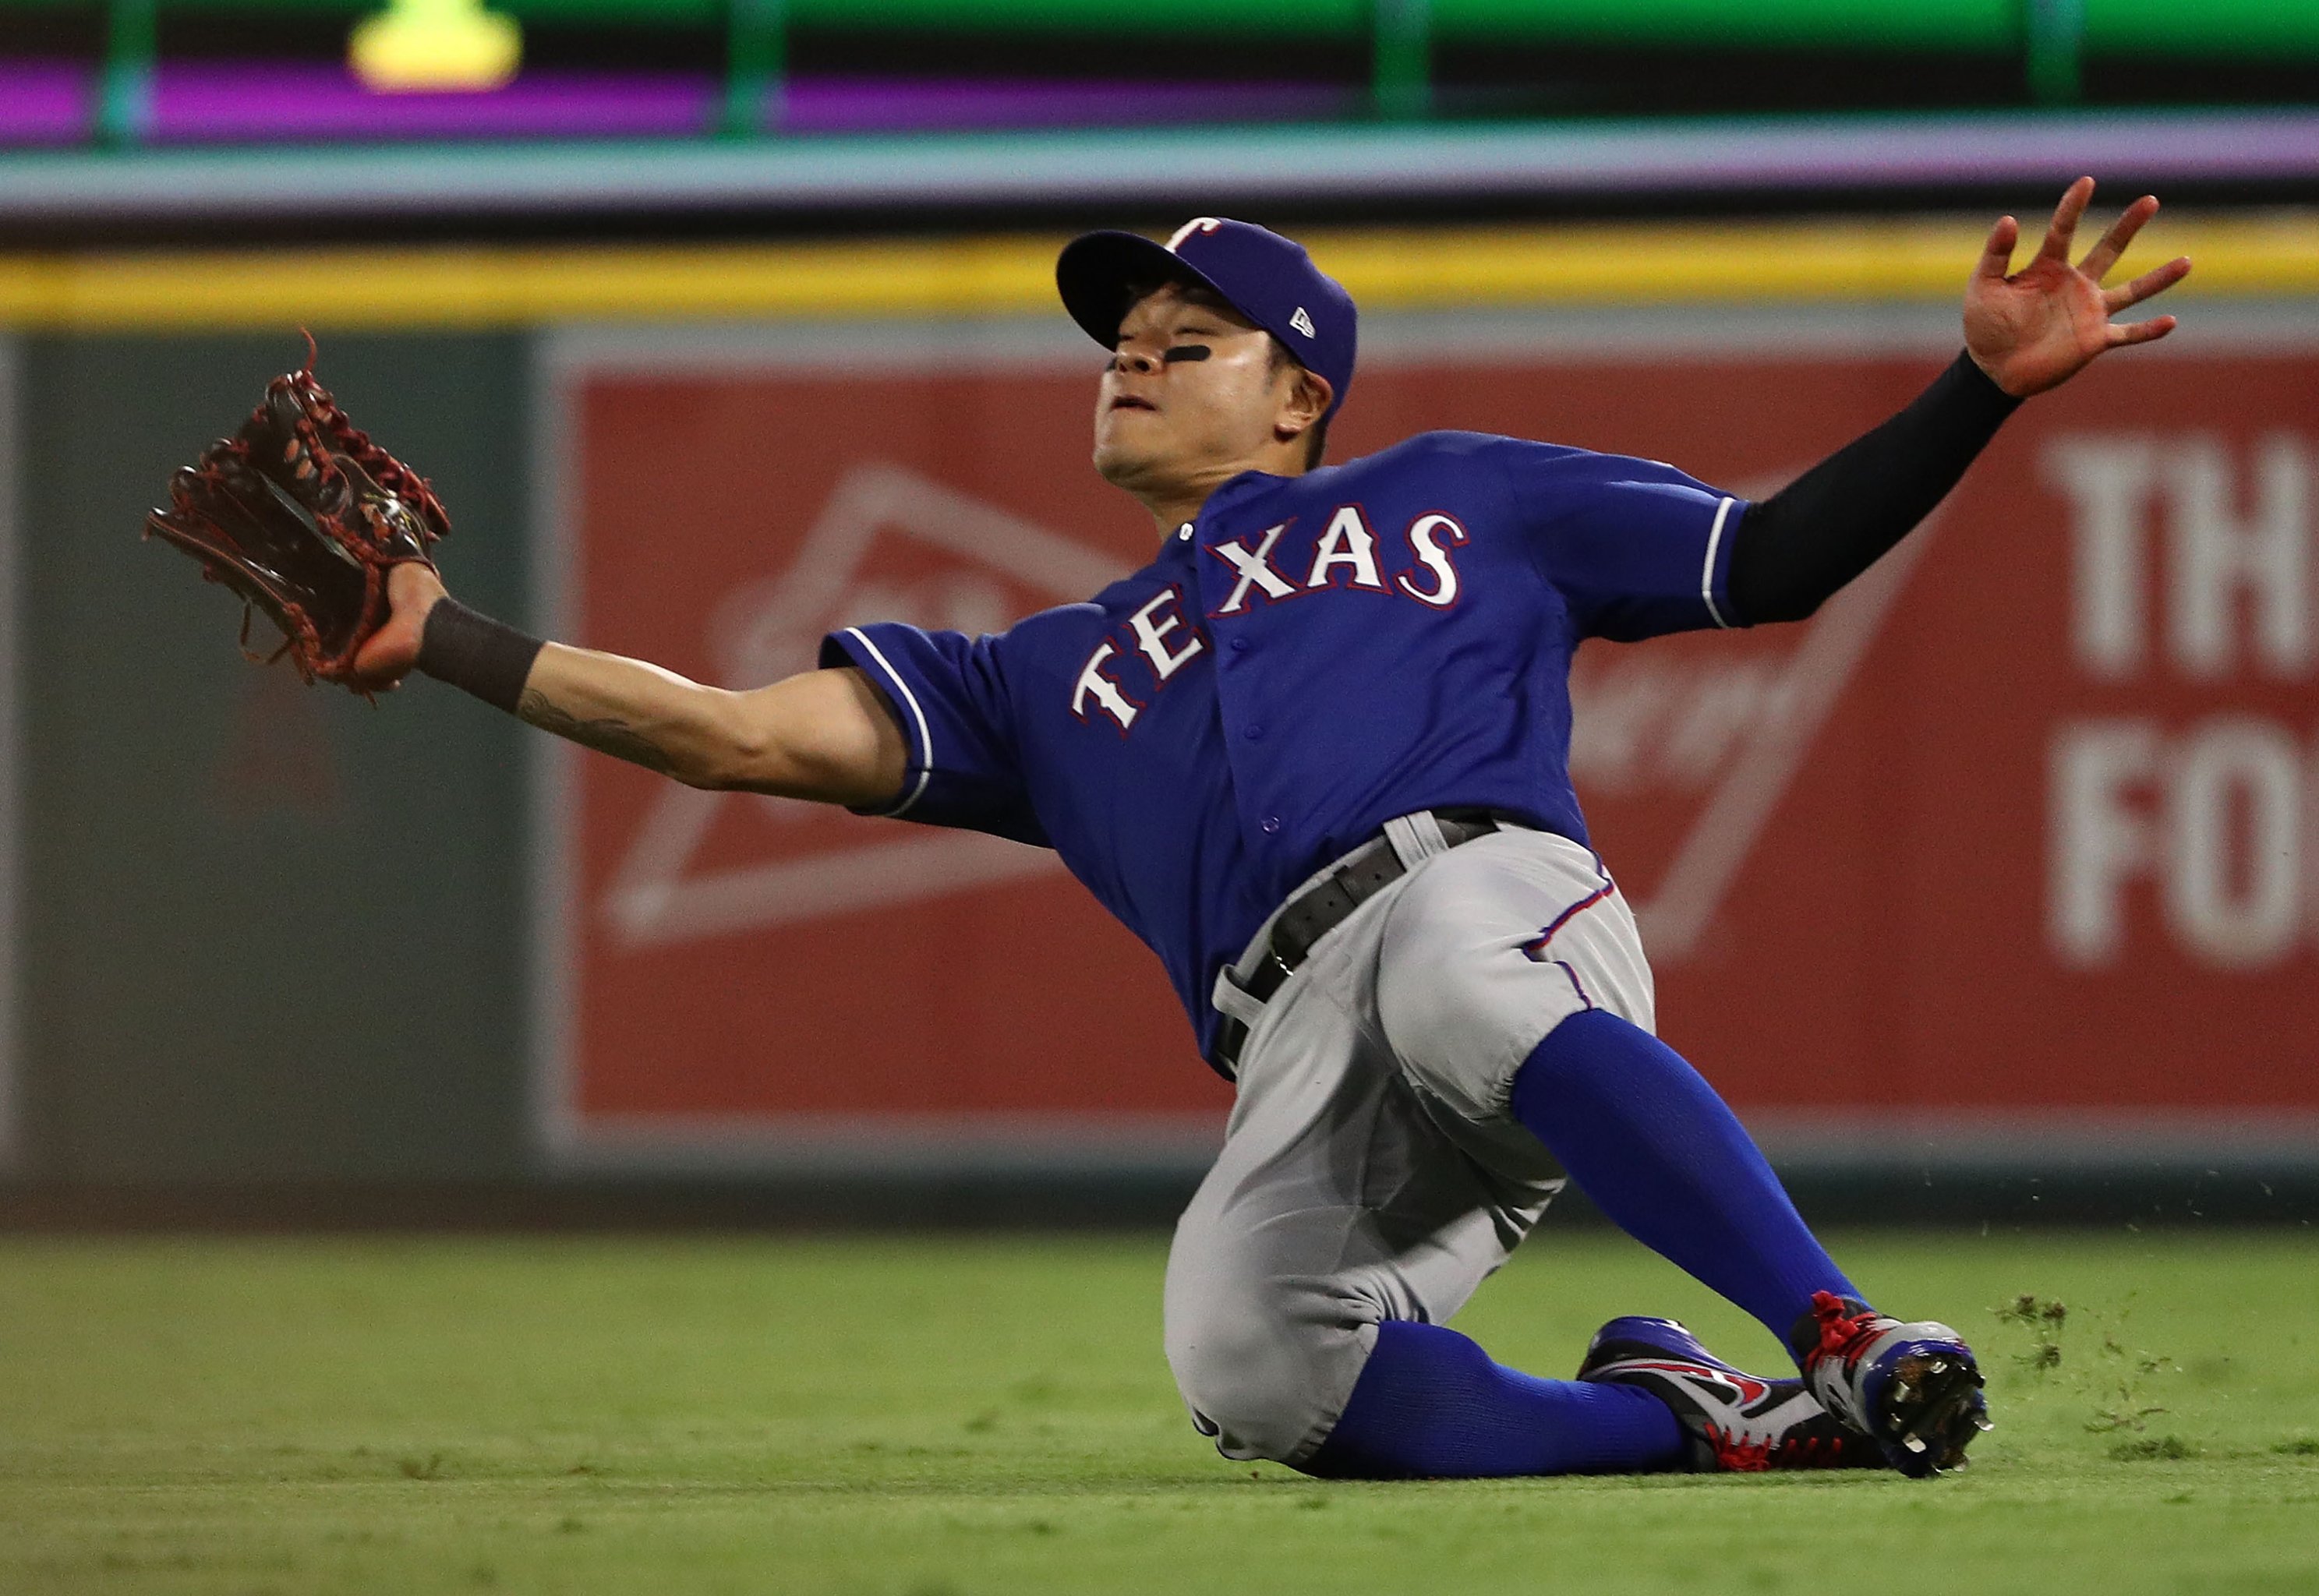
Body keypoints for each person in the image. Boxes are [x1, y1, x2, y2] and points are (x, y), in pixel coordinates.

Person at [352, 178, 2189, 1478]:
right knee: (1246, 1358)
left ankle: (1845, 1335)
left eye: (1188, 338)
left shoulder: (1462, 493)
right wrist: (446, 634)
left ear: (1301, 393)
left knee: (1464, 977)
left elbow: (1771, 556)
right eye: (1123, 343)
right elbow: (730, 734)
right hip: (1298, 1038)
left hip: (1491, 903)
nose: (1130, 361)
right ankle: (1701, 1417)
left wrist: (1979, 395)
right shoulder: (1039, 676)